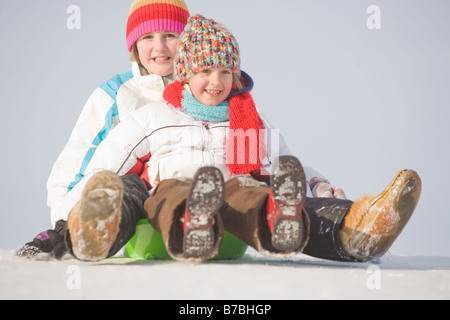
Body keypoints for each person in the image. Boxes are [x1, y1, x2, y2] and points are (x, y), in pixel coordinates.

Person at [54, 14, 421, 263]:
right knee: (171, 195)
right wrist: (76, 213)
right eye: (205, 71)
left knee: (256, 196)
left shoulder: (247, 117)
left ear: (237, 74)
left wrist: (318, 185)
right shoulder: (154, 116)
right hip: (171, 189)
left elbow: (283, 164)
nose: (216, 81)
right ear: (184, 75)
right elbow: (109, 166)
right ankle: (188, 226)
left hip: (233, 192)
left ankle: (354, 228)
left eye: (226, 71)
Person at [15, 0, 190, 259]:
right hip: (134, 215)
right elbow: (78, 163)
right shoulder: (115, 95)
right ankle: (89, 235)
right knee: (122, 184)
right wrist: (64, 223)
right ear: (133, 45)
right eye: (148, 36)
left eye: (170, 35)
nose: (159, 47)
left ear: (188, 42)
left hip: (186, 204)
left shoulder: (206, 90)